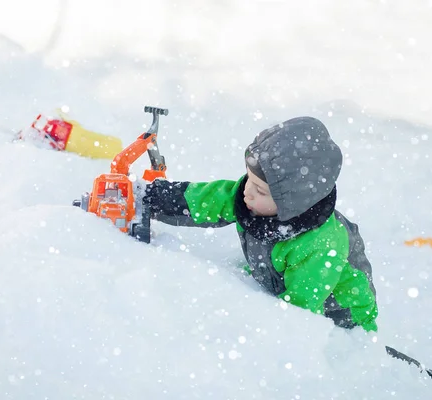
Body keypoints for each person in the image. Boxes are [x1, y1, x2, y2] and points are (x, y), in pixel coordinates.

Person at [144, 116, 378, 332]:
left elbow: (301, 316)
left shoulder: (319, 245)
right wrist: (154, 198)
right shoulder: (255, 199)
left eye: (260, 190)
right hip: (280, 283)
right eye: (249, 179)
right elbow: (207, 201)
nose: (247, 191)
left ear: (291, 203)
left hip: (339, 316)